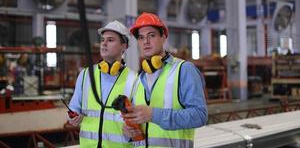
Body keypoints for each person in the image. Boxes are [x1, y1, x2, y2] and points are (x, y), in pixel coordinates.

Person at [123, 12, 208, 148]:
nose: (145, 42)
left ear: (163, 37)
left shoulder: (183, 70)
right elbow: (140, 126)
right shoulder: (139, 79)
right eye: (141, 37)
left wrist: (153, 114)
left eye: (151, 35)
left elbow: (200, 116)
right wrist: (129, 132)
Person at [68, 20, 137, 147]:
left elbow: (139, 123)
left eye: (110, 40)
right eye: (102, 40)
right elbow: (74, 108)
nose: (104, 44)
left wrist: (132, 132)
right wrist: (73, 117)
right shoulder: (86, 75)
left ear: (124, 46)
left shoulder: (134, 80)